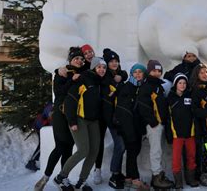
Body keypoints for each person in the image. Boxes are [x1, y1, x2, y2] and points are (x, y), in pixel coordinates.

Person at [34, 47, 84, 191]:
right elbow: (59, 92)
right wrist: (71, 80)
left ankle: (64, 179)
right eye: (76, 59)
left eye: (81, 59)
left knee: (68, 148)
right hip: (60, 115)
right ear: (70, 60)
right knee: (61, 146)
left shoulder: (81, 74)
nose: (79, 61)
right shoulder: (63, 73)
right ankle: (46, 177)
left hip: (73, 116)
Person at [54, 57, 107, 191]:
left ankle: (82, 181)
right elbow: (70, 100)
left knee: (94, 151)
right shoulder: (84, 79)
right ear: (94, 67)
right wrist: (72, 121)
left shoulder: (100, 82)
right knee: (83, 150)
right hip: (79, 119)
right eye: (99, 67)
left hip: (93, 121)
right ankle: (61, 176)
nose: (102, 69)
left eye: (104, 67)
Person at [138, 60, 174, 189]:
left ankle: (159, 174)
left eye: (159, 71)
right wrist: (153, 122)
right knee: (156, 150)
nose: (157, 73)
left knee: (159, 150)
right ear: (149, 71)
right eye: (154, 71)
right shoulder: (146, 85)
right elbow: (143, 106)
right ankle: (156, 176)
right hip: (153, 125)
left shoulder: (158, 86)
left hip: (160, 123)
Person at [96, 48, 128, 188]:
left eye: (116, 61)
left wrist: (122, 75)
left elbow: (124, 75)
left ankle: (118, 172)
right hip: (110, 117)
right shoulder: (105, 78)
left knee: (122, 145)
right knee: (120, 144)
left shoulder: (119, 75)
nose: (114, 63)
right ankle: (114, 174)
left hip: (119, 116)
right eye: (111, 61)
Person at [115, 64, 150, 190]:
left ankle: (129, 178)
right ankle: (135, 180)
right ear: (131, 74)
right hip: (128, 127)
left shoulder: (142, 87)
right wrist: (129, 131)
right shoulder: (127, 87)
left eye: (140, 72)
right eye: (135, 72)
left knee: (133, 153)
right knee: (132, 152)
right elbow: (124, 110)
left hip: (137, 127)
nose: (138, 74)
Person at [166, 73, 200, 189]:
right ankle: (178, 181)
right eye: (180, 83)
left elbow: (194, 113)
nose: (182, 85)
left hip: (190, 133)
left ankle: (190, 178)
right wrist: (169, 133)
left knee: (191, 156)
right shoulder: (170, 98)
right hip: (177, 134)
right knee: (176, 159)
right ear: (175, 84)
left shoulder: (190, 96)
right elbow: (167, 117)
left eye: (184, 83)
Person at [26, 102, 53, 172]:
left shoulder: (49, 106)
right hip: (41, 127)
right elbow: (51, 119)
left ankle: (32, 161)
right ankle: (31, 161)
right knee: (42, 145)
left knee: (41, 145)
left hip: (42, 127)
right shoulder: (50, 107)